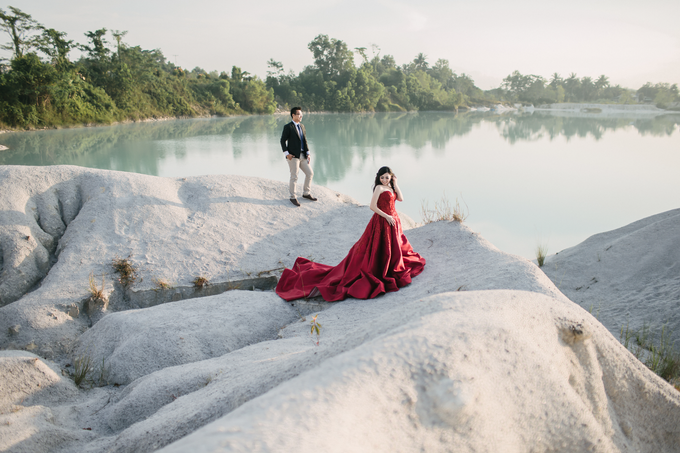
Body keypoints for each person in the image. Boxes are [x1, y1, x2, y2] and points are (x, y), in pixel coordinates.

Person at [276, 166, 426, 302]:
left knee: (393, 247)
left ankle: (391, 267)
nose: (385, 180)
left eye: (387, 177)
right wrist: (387, 217)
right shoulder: (379, 188)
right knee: (378, 249)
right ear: (378, 178)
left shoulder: (391, 187)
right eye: (382, 177)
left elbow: (400, 198)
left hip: (393, 221)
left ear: (391, 177)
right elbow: (372, 206)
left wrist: (396, 184)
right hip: (382, 221)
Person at [280, 106, 316, 207]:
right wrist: (287, 154)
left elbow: (305, 140)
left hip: (303, 155)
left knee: (310, 173)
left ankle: (306, 193)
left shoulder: (302, 126)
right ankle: (293, 197)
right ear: (293, 115)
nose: (301, 116)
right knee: (294, 176)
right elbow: (282, 140)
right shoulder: (288, 127)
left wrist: (308, 153)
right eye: (299, 114)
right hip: (293, 156)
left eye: (301, 114)